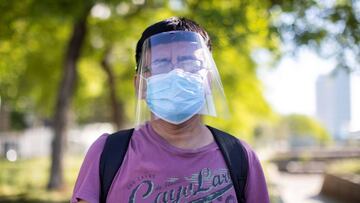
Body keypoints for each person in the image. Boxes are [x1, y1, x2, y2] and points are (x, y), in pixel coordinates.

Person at [71, 17, 270, 203]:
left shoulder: (241, 157)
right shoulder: (107, 153)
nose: (177, 73)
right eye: (161, 64)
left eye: (189, 63)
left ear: (208, 82)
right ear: (140, 85)